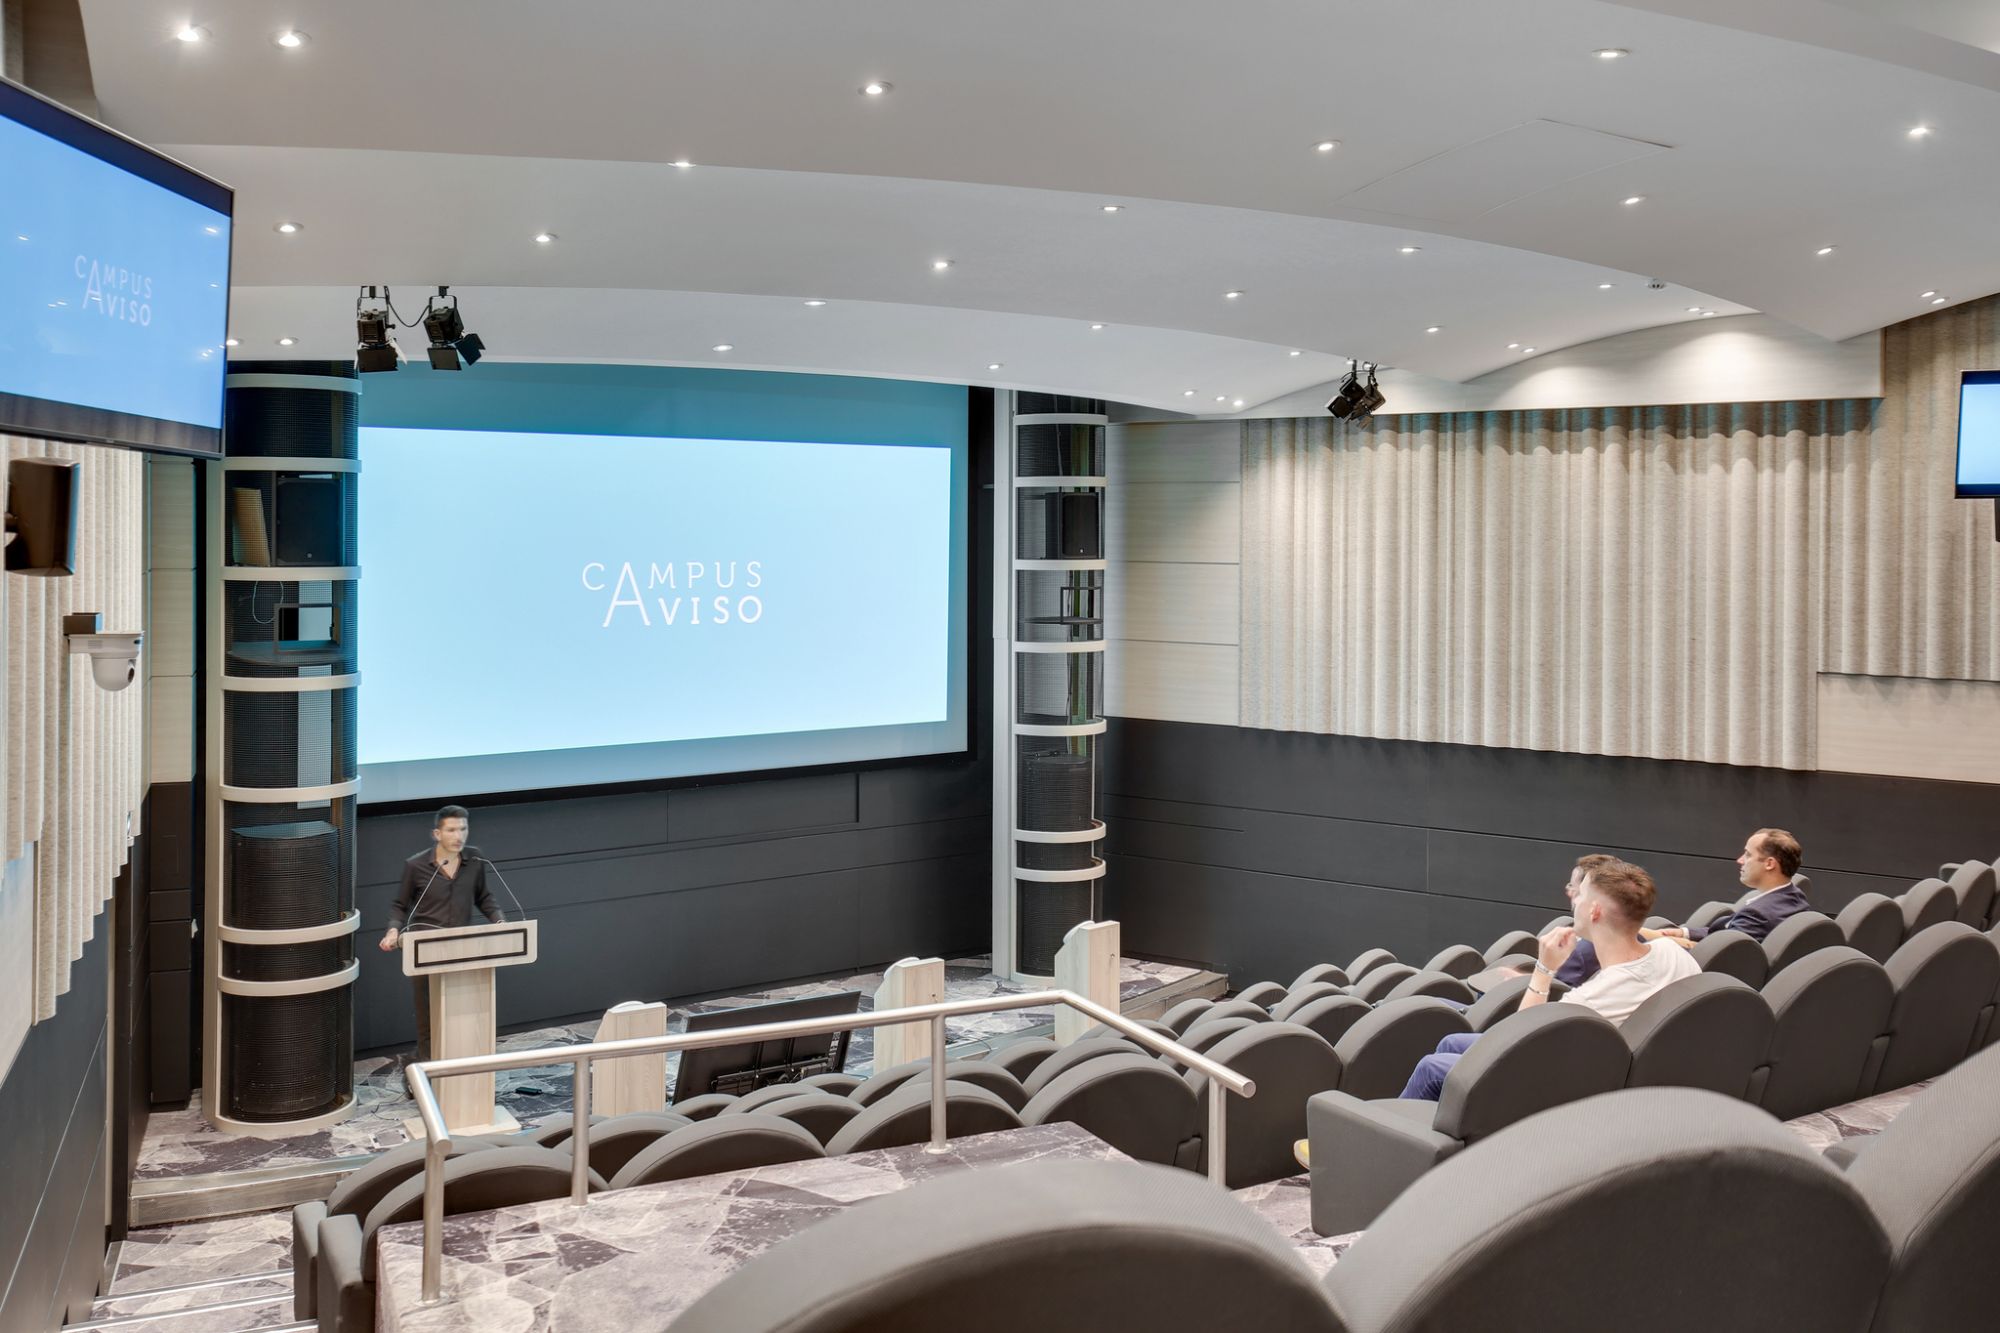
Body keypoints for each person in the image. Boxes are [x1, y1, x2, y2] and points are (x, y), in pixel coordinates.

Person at [1400, 858, 1699, 1100]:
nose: (1574, 900)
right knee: (1451, 1042)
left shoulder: (1588, 1000)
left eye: (1580, 894)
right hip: (1611, 1070)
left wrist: (1544, 969)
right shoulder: (1674, 953)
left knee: (1431, 1068)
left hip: (1554, 1087)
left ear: (1595, 911)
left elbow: (1515, 1042)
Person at [380, 805, 505, 1062]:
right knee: (429, 1015)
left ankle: (462, 1066)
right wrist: (393, 931)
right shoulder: (415, 865)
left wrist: (500, 921)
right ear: (437, 834)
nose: (459, 836)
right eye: (451, 830)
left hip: (462, 948)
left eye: (463, 829)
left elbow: (484, 897)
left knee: (463, 1011)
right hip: (425, 950)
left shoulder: (475, 860)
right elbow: (400, 905)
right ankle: (429, 1070)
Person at [1648, 827, 1808, 944]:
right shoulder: (1795, 897)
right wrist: (1684, 933)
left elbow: (1722, 951)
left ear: (1769, 864)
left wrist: (1661, 940)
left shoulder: (1758, 914)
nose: (1740, 860)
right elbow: (1728, 931)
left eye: (1748, 854)